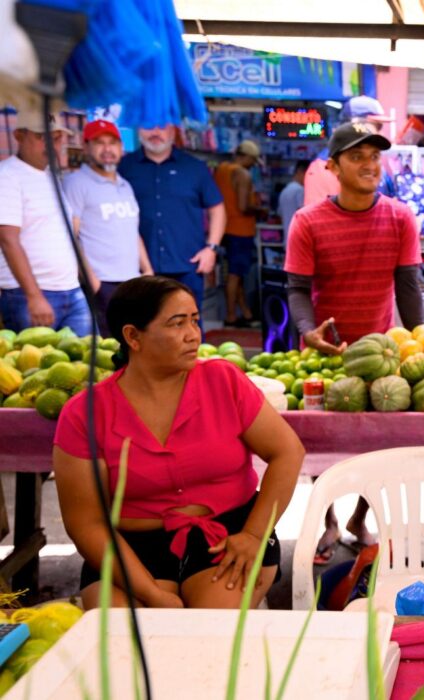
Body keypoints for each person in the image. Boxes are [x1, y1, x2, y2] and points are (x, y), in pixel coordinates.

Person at [53, 276, 303, 609]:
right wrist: (152, 593)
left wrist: (254, 536)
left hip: (227, 535)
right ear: (132, 336)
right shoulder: (85, 414)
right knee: (121, 640)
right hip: (128, 546)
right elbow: (86, 522)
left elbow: (287, 452)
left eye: (195, 321)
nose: (193, 334)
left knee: (207, 635)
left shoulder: (223, 381)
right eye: (177, 323)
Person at [285, 121, 424, 561]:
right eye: (357, 156)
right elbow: (296, 289)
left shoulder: (400, 216)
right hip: (324, 352)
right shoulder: (307, 222)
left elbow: (408, 286)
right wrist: (309, 332)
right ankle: (326, 521)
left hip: (380, 353)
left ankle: (359, 518)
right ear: (333, 166)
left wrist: (418, 343)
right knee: (318, 443)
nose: (369, 165)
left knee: (380, 445)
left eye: (374, 156)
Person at [0, 110, 93, 335]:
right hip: (30, 295)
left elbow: (66, 232)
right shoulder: (7, 176)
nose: (52, 144)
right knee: (39, 368)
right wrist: (34, 296)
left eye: (57, 137)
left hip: (71, 289)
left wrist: (85, 276)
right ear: (19, 136)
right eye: (42, 137)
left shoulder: (50, 175)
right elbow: (7, 239)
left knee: (89, 363)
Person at [119, 124, 226, 311]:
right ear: (138, 130)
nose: (155, 132)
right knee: (141, 327)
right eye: (148, 126)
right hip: (137, 267)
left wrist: (212, 248)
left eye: (162, 126)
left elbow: (217, 209)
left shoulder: (195, 168)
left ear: (174, 130)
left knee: (188, 328)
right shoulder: (125, 167)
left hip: (187, 264)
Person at [63, 119, 152, 335]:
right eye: (99, 143)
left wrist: (147, 269)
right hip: (102, 284)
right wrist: (92, 281)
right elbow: (69, 237)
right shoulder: (76, 183)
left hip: (131, 282)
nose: (107, 149)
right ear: (86, 147)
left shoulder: (124, 185)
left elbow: (132, 231)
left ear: (121, 148)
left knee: (131, 344)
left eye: (112, 143)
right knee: (106, 350)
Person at [303, 96, 394, 208]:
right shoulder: (323, 167)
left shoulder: (376, 166)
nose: (381, 133)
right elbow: (317, 218)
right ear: (355, 125)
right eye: (377, 126)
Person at [214, 140, 265, 327]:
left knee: (237, 273)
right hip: (241, 230)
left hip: (225, 228)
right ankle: (230, 316)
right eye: (253, 160)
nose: (253, 165)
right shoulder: (242, 174)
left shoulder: (221, 170)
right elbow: (244, 206)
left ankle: (245, 312)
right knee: (236, 274)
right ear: (246, 157)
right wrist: (260, 209)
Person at [278, 160, 308, 240]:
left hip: (288, 238)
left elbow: (280, 215)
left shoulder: (284, 191)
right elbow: (304, 214)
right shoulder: (300, 190)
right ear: (301, 172)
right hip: (298, 237)